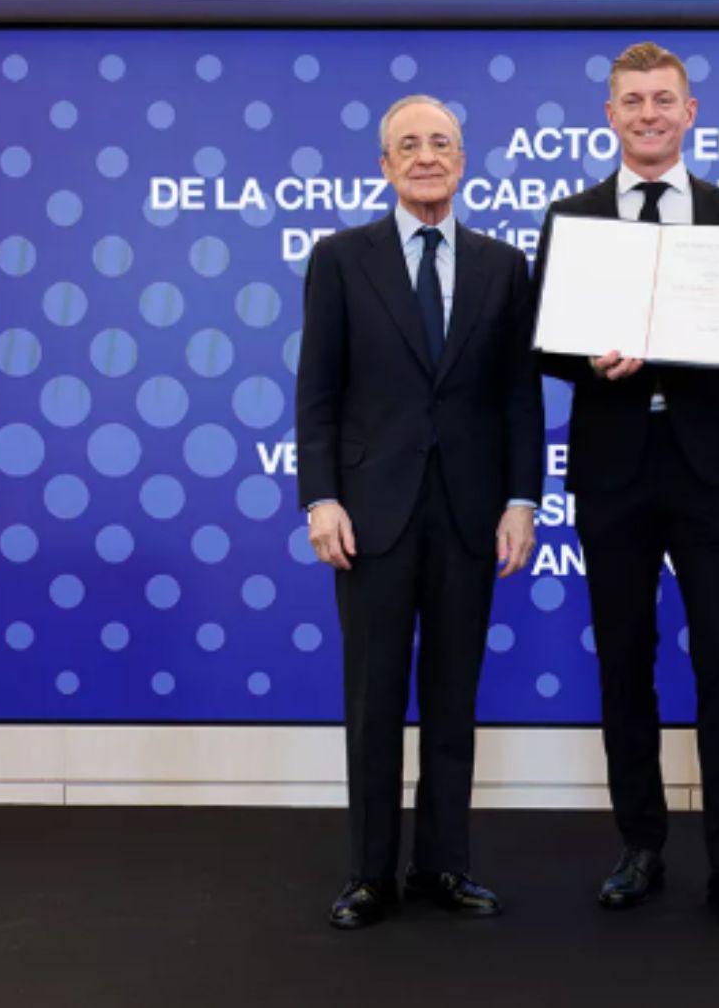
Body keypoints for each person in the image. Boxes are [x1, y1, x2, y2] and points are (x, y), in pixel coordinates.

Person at [532, 41, 719, 933]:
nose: (648, 112)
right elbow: (546, 342)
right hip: (611, 471)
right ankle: (639, 845)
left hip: (708, 472)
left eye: (664, 99)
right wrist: (590, 361)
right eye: (632, 99)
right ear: (610, 115)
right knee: (625, 663)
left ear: (691, 114)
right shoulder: (571, 216)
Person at [296, 93, 544, 930]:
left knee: (452, 694)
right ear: (385, 166)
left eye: (441, 142)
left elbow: (519, 397)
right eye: (410, 144)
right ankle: (370, 873)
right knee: (371, 698)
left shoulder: (502, 266)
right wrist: (320, 496)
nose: (427, 155)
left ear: (463, 160)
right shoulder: (339, 258)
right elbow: (318, 393)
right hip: (370, 514)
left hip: (472, 513)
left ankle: (445, 865)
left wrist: (521, 499)